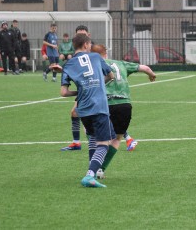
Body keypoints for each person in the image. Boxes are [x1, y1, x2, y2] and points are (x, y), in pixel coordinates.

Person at [60, 25, 138, 152]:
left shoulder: (92, 50)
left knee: (103, 114)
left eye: (83, 33)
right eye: (78, 34)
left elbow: (102, 67)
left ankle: (125, 138)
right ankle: (77, 142)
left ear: (88, 35)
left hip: (95, 86)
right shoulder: (80, 51)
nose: (80, 35)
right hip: (87, 87)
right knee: (76, 112)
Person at [91, 43, 156, 179]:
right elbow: (145, 67)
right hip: (124, 105)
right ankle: (101, 169)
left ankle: (93, 167)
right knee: (117, 139)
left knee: (100, 138)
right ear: (106, 53)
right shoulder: (121, 63)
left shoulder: (95, 65)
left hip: (105, 104)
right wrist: (151, 74)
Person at [60, 33, 115, 188]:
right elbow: (110, 75)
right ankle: (90, 175)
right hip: (99, 106)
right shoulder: (96, 57)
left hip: (83, 108)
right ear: (85, 45)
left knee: (92, 136)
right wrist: (99, 86)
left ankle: (92, 169)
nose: (91, 47)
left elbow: (63, 92)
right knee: (104, 143)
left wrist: (80, 91)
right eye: (90, 44)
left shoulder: (68, 65)